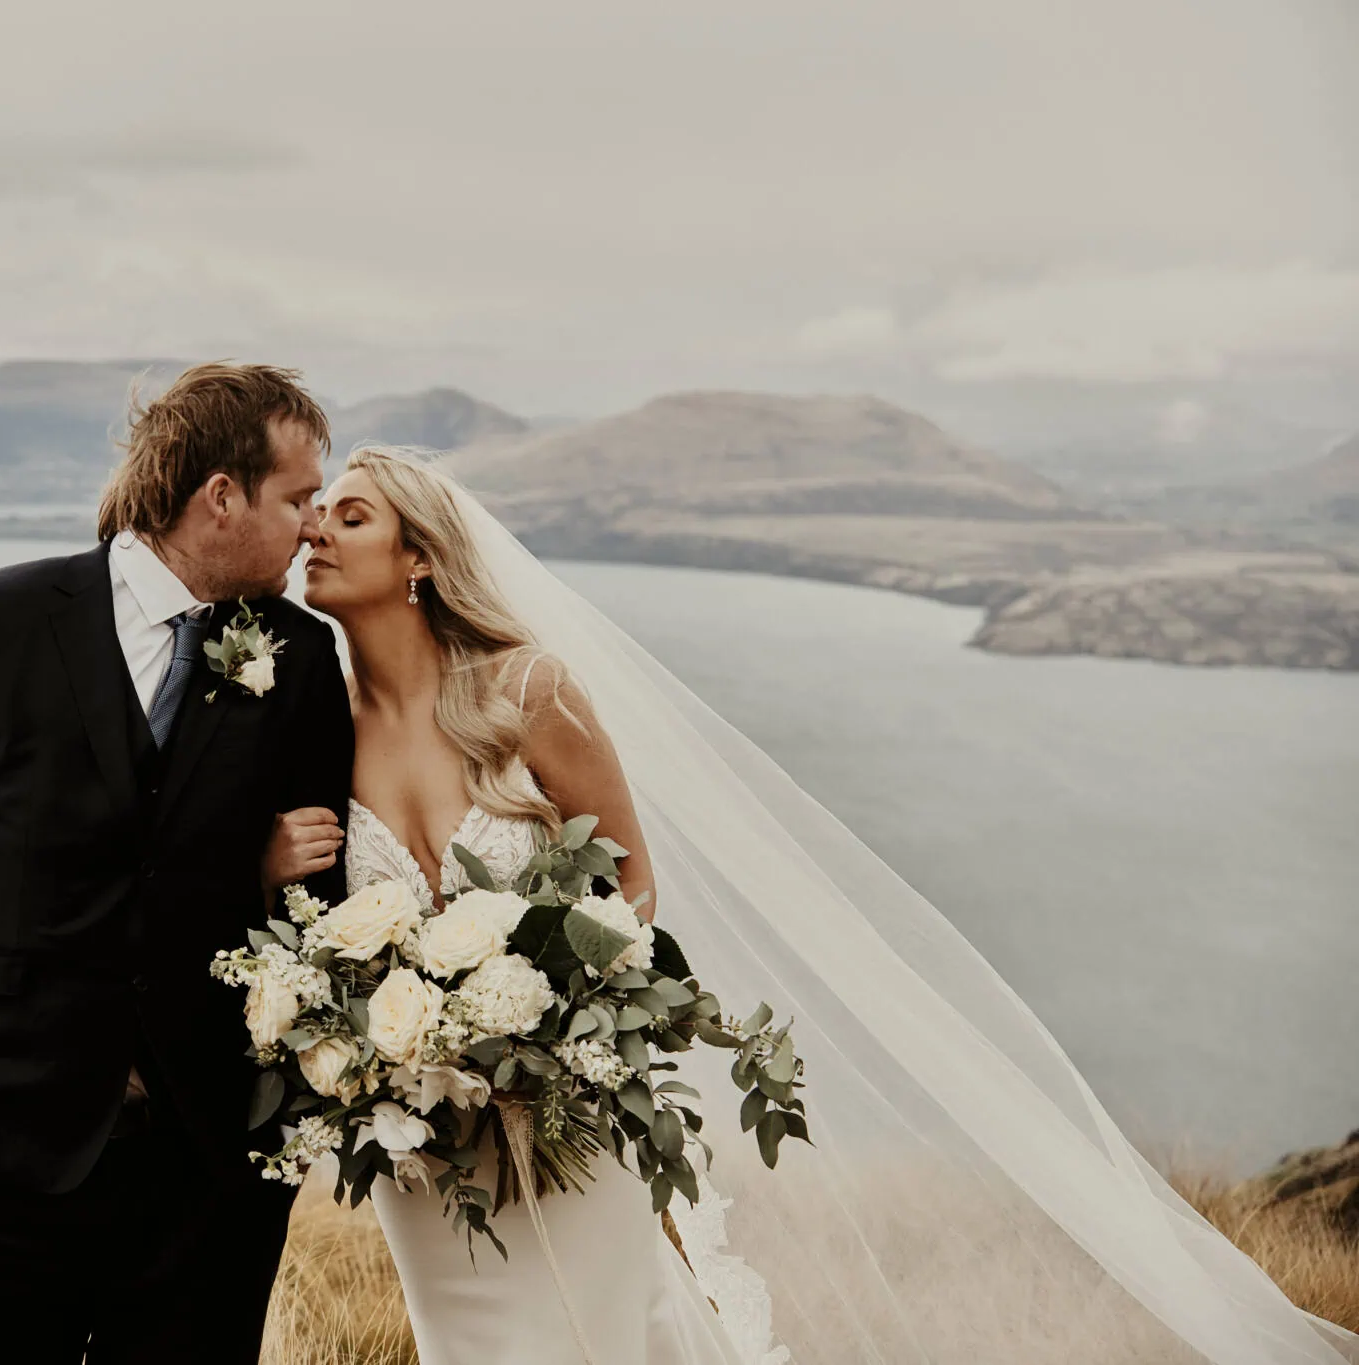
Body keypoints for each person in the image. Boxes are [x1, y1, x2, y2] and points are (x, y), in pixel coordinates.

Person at [263, 446, 1359, 1365]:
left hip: (564, 1117)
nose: (314, 532)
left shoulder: (525, 690)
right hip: (424, 1152)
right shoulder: (320, 725)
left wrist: (547, 1020)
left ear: (417, 557)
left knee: (599, 1338)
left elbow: (631, 882)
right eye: (312, 516)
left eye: (347, 517)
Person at [0, 363, 354, 1365]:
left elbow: (312, 907)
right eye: (296, 499)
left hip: (208, 1175)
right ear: (220, 497)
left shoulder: (300, 656)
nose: (311, 528)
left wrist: (285, 1136)